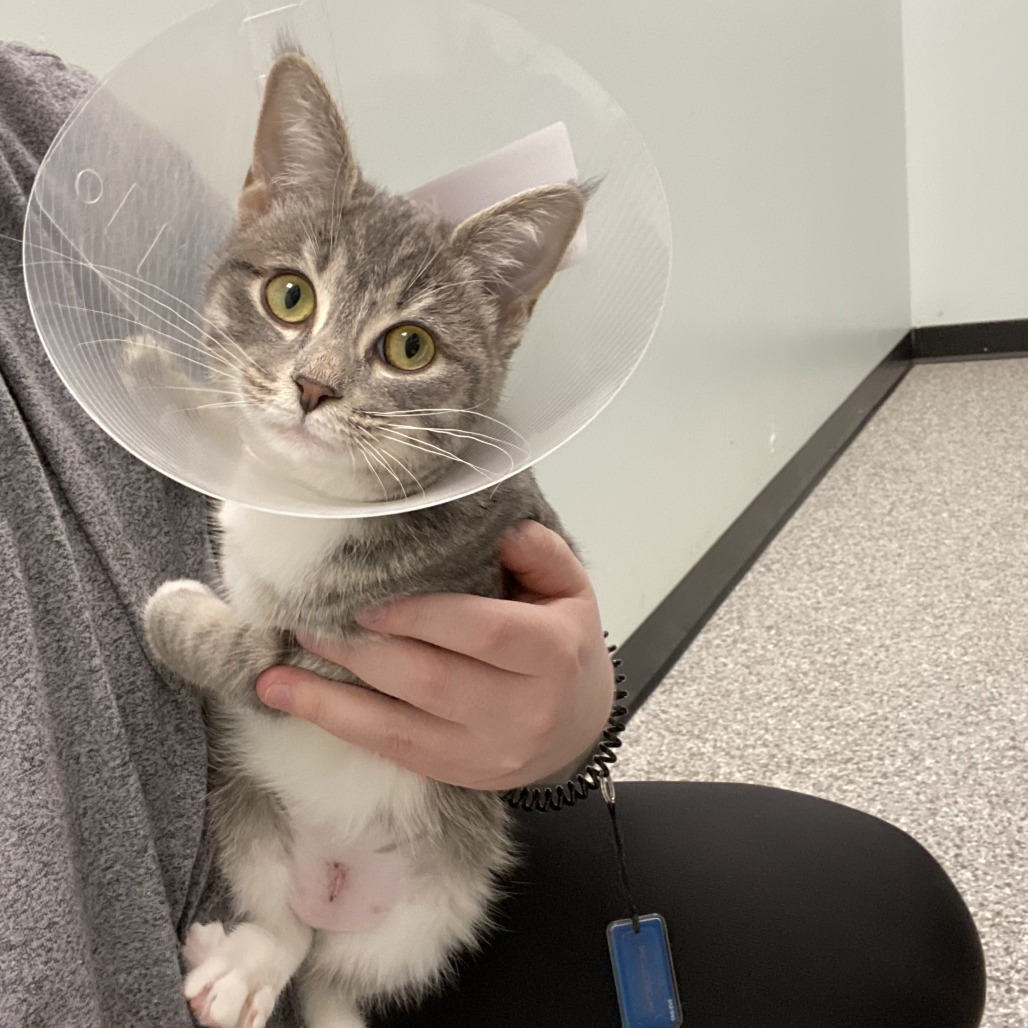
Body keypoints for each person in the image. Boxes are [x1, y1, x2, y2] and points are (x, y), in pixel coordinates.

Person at [0, 42, 985, 1028]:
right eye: (294, 299)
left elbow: (506, 563)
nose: (316, 378)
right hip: (209, 872)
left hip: (400, 852)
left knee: (892, 919)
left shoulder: (56, 138)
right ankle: (293, 956)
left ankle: (317, 968)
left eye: (406, 343)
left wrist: (568, 715)